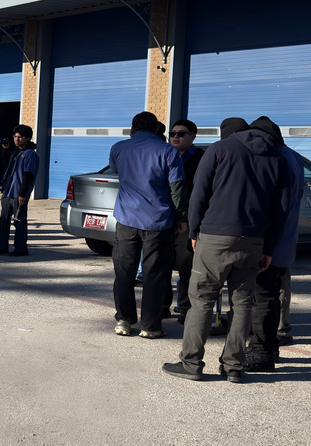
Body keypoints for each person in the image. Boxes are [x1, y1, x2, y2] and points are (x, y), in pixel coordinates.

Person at [162, 117, 290, 383]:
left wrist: (194, 232)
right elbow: (281, 210)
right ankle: (234, 365)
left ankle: (191, 363)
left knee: (202, 300)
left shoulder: (220, 150)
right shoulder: (278, 160)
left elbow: (199, 193)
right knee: (242, 304)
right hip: (254, 240)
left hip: (216, 236)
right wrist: (270, 248)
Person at [108, 111, 186, 339]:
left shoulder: (118, 148)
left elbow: (116, 170)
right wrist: (181, 217)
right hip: (158, 221)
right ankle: (150, 326)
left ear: (132, 130)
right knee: (155, 274)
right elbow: (177, 189)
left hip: (126, 218)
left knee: (124, 271)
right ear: (156, 130)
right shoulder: (168, 151)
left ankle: (124, 319)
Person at [244, 116, 303, 372]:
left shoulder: (275, 159)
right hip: (286, 241)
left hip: (270, 244)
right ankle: (271, 346)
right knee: (273, 296)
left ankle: (261, 354)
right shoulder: (294, 157)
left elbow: (270, 205)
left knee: (263, 299)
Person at [166, 119, 204, 323]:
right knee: (161, 264)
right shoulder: (164, 154)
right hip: (162, 218)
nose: (175, 137)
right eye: (172, 133)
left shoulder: (201, 159)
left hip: (188, 220)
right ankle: (162, 306)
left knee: (186, 265)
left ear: (193, 136)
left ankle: (185, 307)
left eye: (180, 134)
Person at [0, 124, 38, 256]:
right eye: (15, 136)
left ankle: (21, 249)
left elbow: (28, 175)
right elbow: (7, 166)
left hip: (18, 194)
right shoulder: (16, 152)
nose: (16, 139)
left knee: (19, 222)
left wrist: (23, 194)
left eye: (20, 137)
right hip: (7, 192)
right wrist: (6, 150)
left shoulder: (29, 154)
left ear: (27, 138)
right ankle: (1, 247)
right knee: (4, 220)